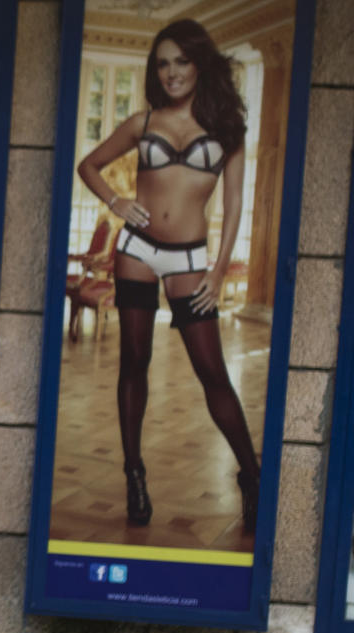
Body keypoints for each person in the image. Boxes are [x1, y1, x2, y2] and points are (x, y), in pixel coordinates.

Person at [76, 19, 261, 532]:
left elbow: (237, 202)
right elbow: (89, 165)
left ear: (199, 64)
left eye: (181, 61)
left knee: (212, 371)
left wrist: (219, 272)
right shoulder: (144, 121)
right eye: (163, 63)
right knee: (134, 361)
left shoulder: (228, 130)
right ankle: (134, 473)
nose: (172, 71)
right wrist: (117, 201)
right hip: (136, 250)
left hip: (189, 260)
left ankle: (252, 475)